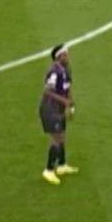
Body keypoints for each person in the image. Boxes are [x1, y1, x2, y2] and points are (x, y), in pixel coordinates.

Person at [40, 43, 78, 183]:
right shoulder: (54, 71)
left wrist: (70, 107)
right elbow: (47, 91)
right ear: (58, 57)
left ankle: (61, 165)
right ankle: (48, 170)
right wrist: (64, 101)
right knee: (57, 139)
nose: (68, 57)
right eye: (65, 55)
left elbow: (68, 88)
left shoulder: (65, 69)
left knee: (62, 137)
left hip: (59, 109)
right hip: (50, 110)